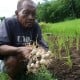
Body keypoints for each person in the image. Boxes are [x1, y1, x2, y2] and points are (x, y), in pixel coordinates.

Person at [0, 0, 48, 80]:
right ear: (17, 13)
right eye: (26, 13)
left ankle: (28, 71)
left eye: (33, 14)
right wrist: (19, 50)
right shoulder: (8, 23)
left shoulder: (35, 26)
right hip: (9, 62)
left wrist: (39, 51)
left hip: (27, 61)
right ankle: (11, 77)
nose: (31, 17)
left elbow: (43, 45)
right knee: (12, 60)